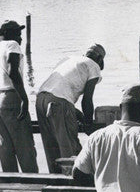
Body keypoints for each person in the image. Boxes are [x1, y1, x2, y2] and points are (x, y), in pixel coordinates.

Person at [36, 44, 105, 173]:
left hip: (41, 99)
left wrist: (81, 117)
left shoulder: (69, 60)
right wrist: (89, 123)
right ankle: (73, 185)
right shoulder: (93, 65)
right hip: (58, 103)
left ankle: (54, 184)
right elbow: (87, 100)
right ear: (100, 59)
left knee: (52, 149)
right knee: (69, 150)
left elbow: (60, 96)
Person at [0, 19, 37, 173]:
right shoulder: (12, 45)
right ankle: (33, 186)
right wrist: (24, 98)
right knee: (25, 147)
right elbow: (13, 71)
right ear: (8, 34)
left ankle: (11, 183)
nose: (21, 38)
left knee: (5, 148)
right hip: (10, 97)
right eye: (18, 33)